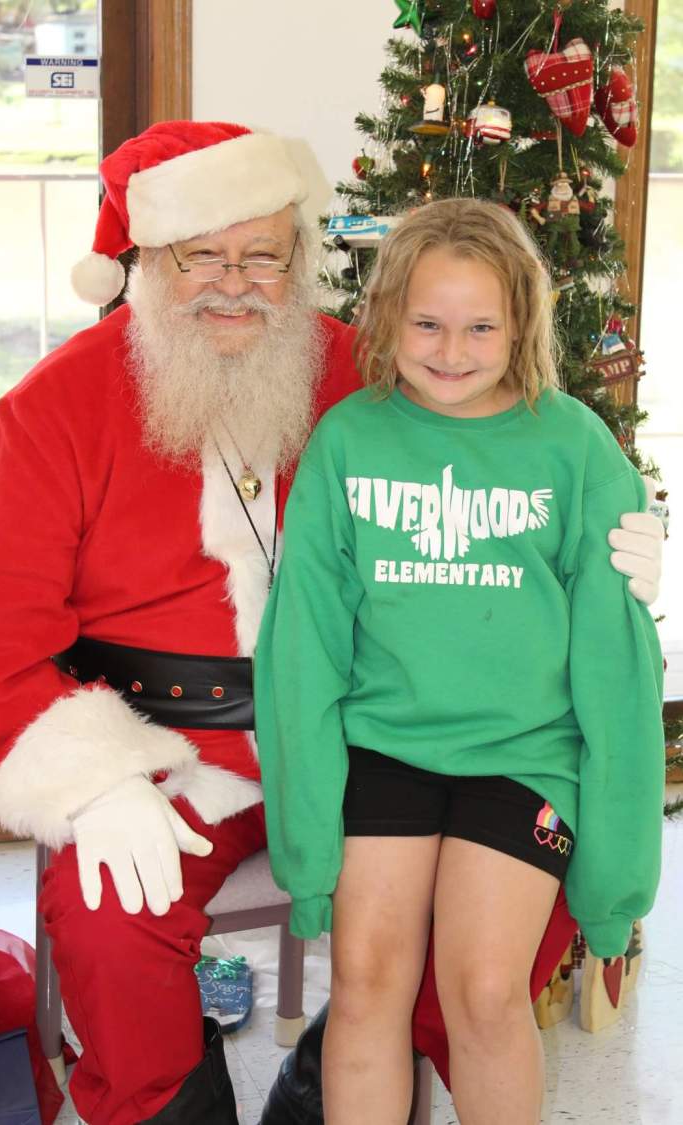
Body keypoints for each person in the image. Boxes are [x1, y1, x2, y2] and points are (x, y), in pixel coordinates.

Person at [0, 121, 662, 1125]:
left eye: (263, 255)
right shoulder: (55, 405)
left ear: (299, 259)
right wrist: (93, 781)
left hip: (357, 731)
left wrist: (619, 543)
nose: (234, 284)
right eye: (202, 255)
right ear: (147, 258)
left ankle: (333, 1080)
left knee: (493, 933)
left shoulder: (375, 369)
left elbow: (513, 460)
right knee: (111, 924)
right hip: (163, 749)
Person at [254, 197, 665, 1125]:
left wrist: (616, 882)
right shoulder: (347, 440)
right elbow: (304, 646)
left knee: (484, 989)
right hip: (384, 744)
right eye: (427, 323)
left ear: (521, 324)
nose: (451, 350)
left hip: (527, 755)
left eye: (481, 326)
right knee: (366, 979)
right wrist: (306, 848)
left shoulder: (575, 446)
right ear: (385, 316)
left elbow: (616, 669)